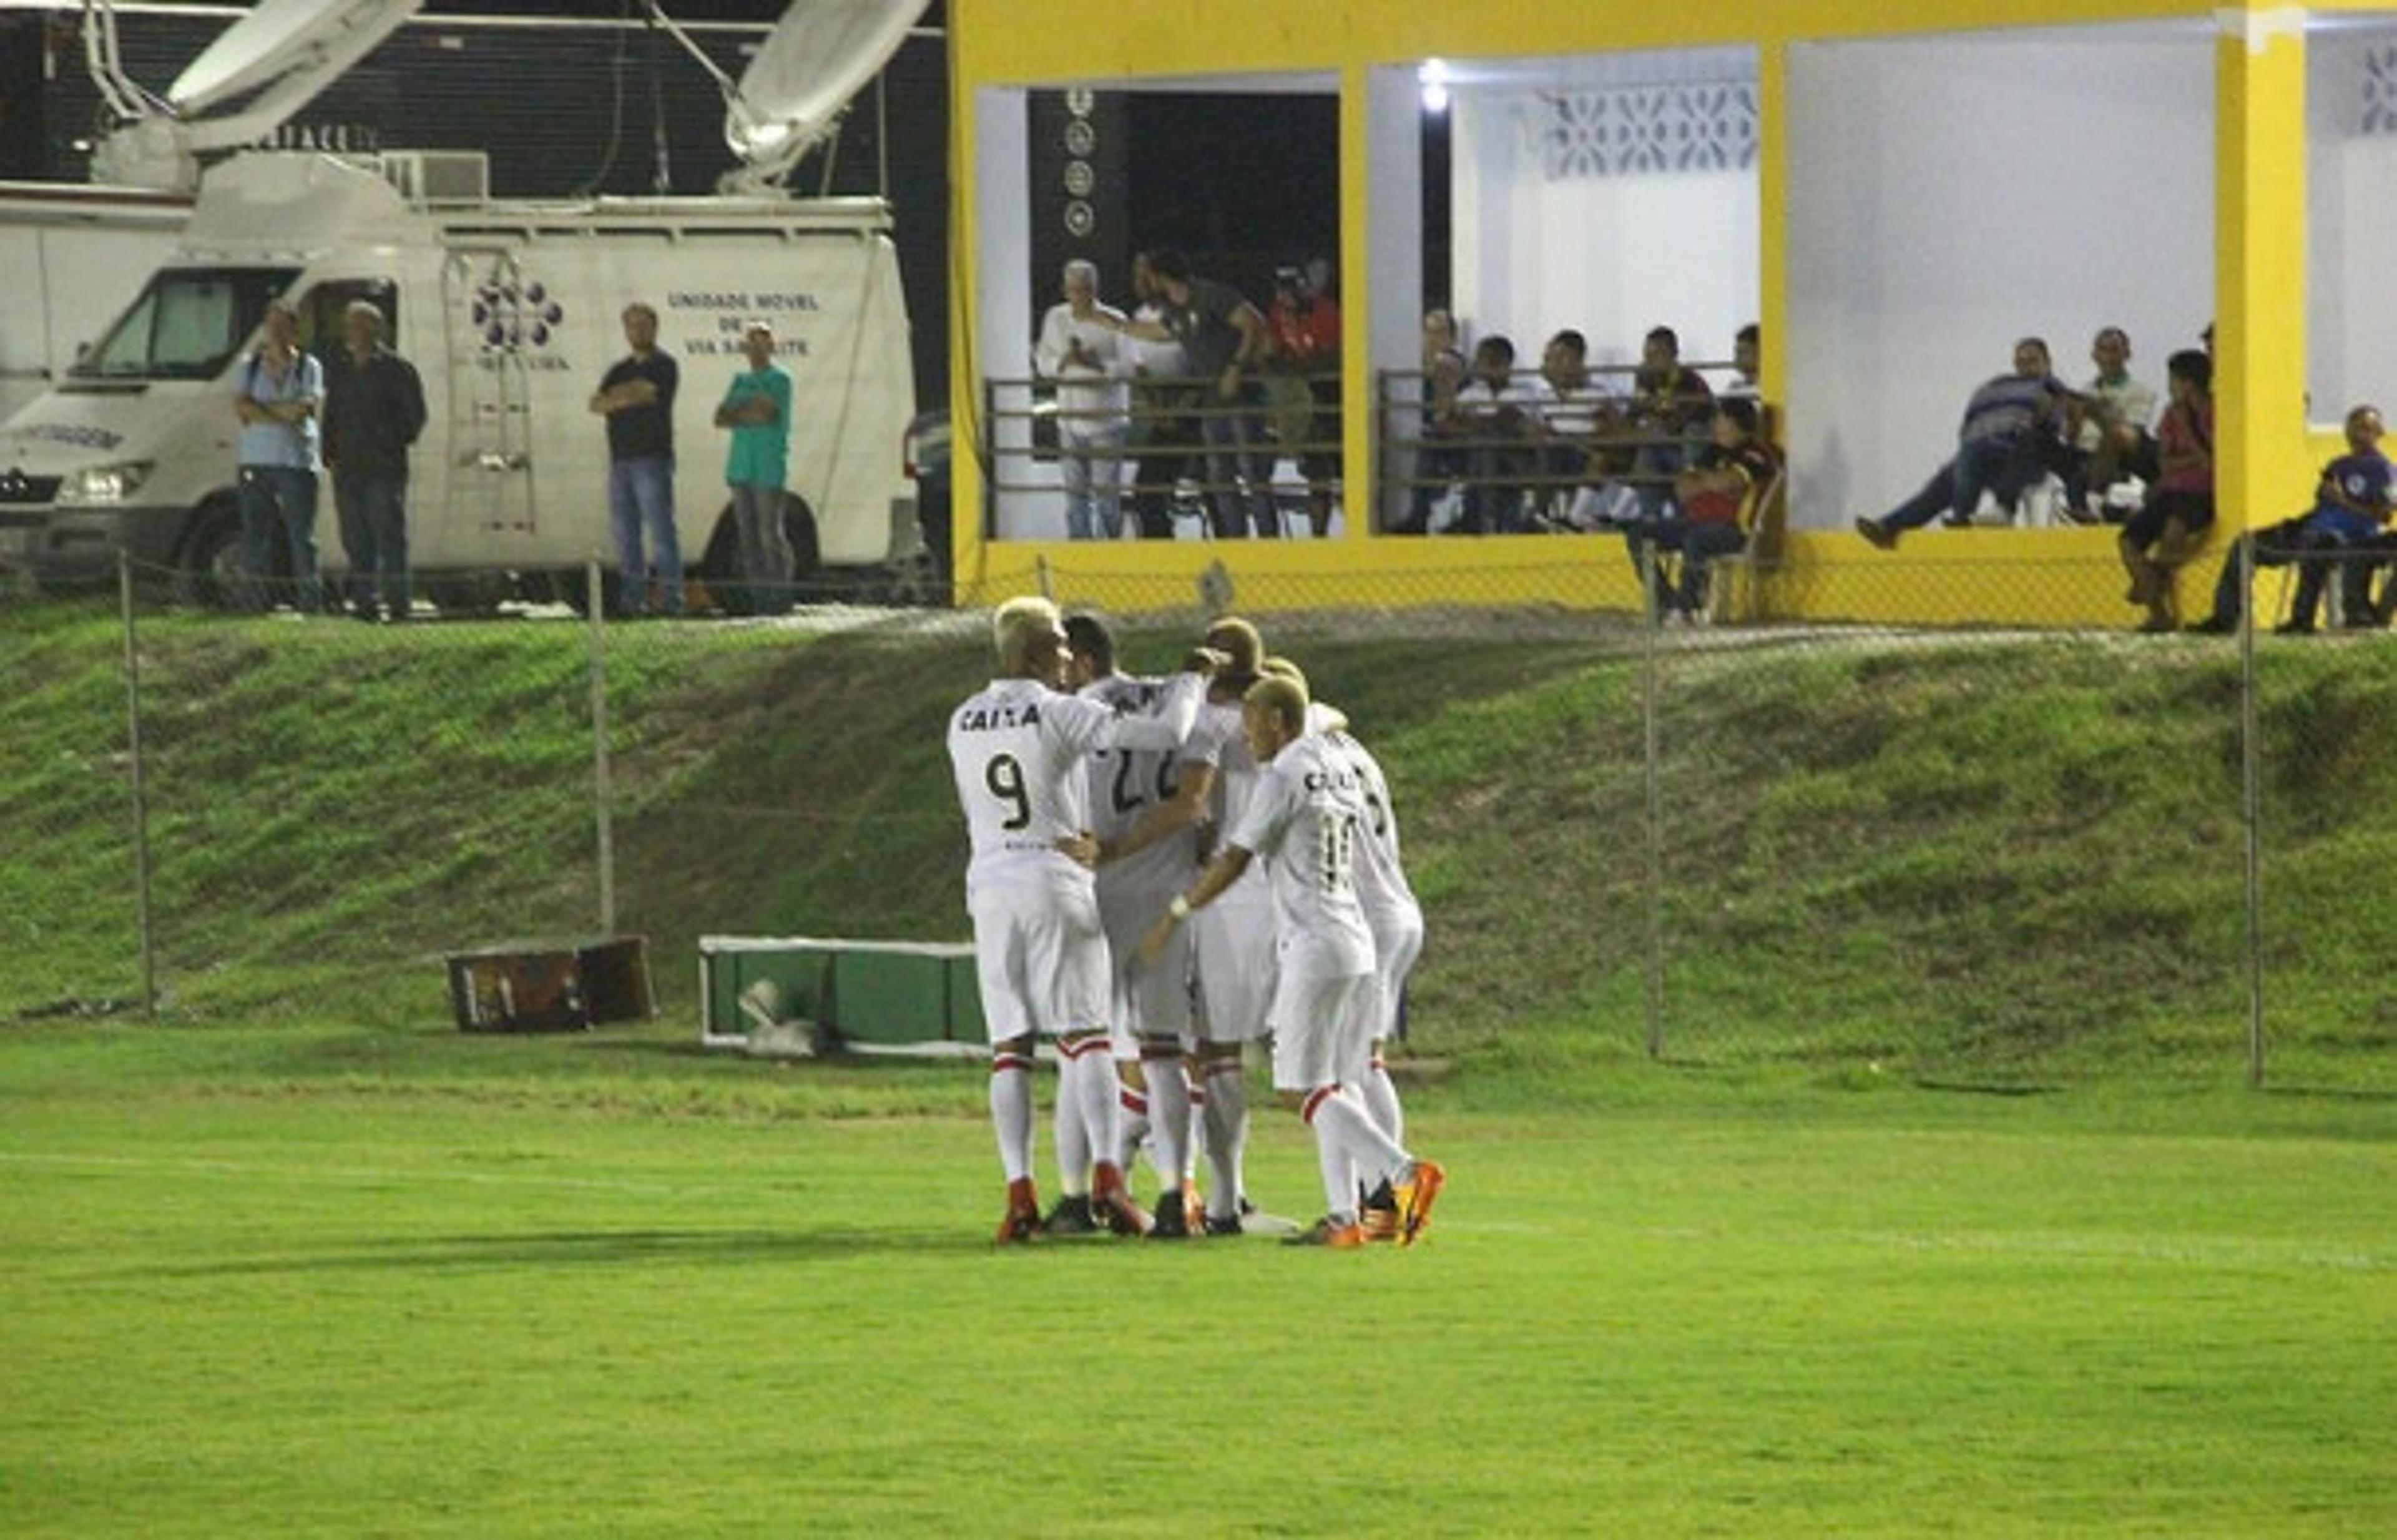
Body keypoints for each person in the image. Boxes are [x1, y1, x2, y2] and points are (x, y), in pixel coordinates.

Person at [946, 595, 1220, 1243]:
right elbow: (1162, 736)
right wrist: (1191, 679)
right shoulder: (1057, 710)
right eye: (1061, 648)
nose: (1069, 659)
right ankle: (1109, 1182)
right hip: (1053, 874)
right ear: (1039, 652)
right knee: (1086, 1037)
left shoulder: (962, 719)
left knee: (1009, 1047)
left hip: (989, 883)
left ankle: (1020, 1195)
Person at [1139, 674, 1446, 1249]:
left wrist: (1177, 911)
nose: (1247, 737)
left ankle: (1402, 1171)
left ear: (1279, 721)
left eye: (1252, 724)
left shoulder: (1282, 775)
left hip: (1316, 943)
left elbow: (1235, 859)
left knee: (1298, 1087)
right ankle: (1346, 1215)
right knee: (1336, 1080)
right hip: (1354, 938)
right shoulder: (1335, 762)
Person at [1258, 654, 1423, 1243]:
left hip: (1361, 915)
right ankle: (1356, 1209)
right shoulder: (1348, 749)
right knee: (1350, 1068)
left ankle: (1388, 1192)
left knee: (1341, 1073)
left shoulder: (1301, 762)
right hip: (1393, 908)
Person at [1066, 614, 1217, 1236]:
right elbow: (1194, 801)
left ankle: (1081, 1196)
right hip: (1168, 890)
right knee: (1164, 1049)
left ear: (1079, 661)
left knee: (1083, 1047)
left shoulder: (1075, 713)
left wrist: (1112, 845)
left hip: (1097, 890)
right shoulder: (1184, 699)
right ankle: (1176, 1193)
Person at [1855, 338, 2079, 550]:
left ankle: (1962, 517)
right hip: (1985, 454)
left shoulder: (2052, 389)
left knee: (1970, 455)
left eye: (2033, 361)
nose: (2025, 367)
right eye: (2020, 362)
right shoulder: (1998, 385)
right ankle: (1889, 528)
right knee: (1945, 481)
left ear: (2047, 362)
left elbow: (2051, 426)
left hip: (2023, 458)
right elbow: (1973, 421)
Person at [1114, 249, 1276, 538]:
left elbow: (1253, 323)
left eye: (1147, 274)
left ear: (1161, 276)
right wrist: (1110, 322)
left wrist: (1235, 369)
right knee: (1220, 479)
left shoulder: (1211, 295)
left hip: (1242, 397)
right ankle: (1236, 544)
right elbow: (1157, 333)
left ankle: (1268, 545)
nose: (1142, 280)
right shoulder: (1175, 308)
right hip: (1213, 402)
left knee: (1252, 475)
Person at [2192, 405, 2393, 634]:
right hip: (2310, 526)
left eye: (2366, 429)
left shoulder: (2382, 470)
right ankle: (2226, 618)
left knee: (2319, 544)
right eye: (2353, 427)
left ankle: (2301, 620)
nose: (2358, 434)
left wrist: (2343, 501)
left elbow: (2383, 516)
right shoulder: (2338, 465)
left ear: (2379, 433)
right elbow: (2322, 505)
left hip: (2348, 538)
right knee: (2245, 545)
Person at [319, 298, 425, 625]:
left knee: (389, 538)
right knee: (356, 541)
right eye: (352, 325)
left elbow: (415, 418)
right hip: (348, 469)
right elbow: (331, 415)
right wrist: (329, 451)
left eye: (364, 325)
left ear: (377, 329)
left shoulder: (397, 369)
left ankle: (397, 605)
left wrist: (388, 441)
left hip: (384, 469)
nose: (357, 332)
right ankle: (365, 604)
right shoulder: (340, 369)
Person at [1622, 399, 1777, 619]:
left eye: (1721, 420)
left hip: (1735, 529)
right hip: (1695, 521)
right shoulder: (1711, 451)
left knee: (1698, 540)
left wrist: (1706, 482)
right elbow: (1683, 487)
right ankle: (1666, 601)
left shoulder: (1757, 454)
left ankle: (1688, 606)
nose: (1716, 425)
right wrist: (1712, 482)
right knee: (1639, 534)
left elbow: (1729, 482)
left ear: (1738, 423)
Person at [588, 302, 682, 617]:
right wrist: (626, 395)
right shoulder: (619, 369)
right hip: (621, 461)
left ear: (655, 328)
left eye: (643, 325)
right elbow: (596, 404)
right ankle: (633, 600)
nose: (638, 331)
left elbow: (647, 393)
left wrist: (619, 398)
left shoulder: (664, 365)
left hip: (652, 458)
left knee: (661, 532)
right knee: (626, 535)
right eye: (632, 325)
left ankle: (671, 598)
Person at [232, 298, 325, 613]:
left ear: (294, 330)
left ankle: (309, 602)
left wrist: (262, 412)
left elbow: (304, 410)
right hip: (255, 461)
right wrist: (281, 414)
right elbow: (241, 408)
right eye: (272, 326)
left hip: (297, 462)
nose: (277, 332)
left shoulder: (309, 367)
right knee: (256, 535)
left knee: (302, 535)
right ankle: (256, 601)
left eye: (283, 326)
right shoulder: (250, 367)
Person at [2117, 350, 2214, 633]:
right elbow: (2165, 461)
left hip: (2200, 493)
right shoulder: (2170, 416)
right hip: (2172, 490)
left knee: (2173, 535)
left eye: (2173, 380)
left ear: (2188, 383)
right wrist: (2193, 459)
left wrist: (2189, 433)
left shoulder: (2214, 411)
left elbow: (2212, 460)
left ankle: (2152, 588)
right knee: (2129, 542)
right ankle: (2156, 602)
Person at [1034, 260, 1132, 542]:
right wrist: (1065, 361)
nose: (1079, 296)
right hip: (1070, 422)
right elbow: (1043, 363)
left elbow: (1128, 367)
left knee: (1106, 496)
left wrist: (1096, 366)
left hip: (1107, 423)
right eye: (1074, 290)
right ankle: (1079, 549)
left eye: (1084, 289)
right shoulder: (1055, 319)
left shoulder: (1114, 320)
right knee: (1074, 497)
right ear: (1066, 290)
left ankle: (1110, 549)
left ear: (1094, 289)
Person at [712, 320, 794, 614]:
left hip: (768, 468)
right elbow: (720, 418)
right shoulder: (739, 380)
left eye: (764, 342)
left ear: (772, 346)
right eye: (752, 342)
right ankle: (760, 601)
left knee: (770, 535)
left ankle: (780, 598)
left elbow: (767, 413)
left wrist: (740, 412)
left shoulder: (781, 379)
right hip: (740, 469)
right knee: (747, 539)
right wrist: (746, 410)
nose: (757, 348)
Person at [1121, 251, 1200, 540]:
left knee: (1216, 486)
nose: (1141, 282)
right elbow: (1141, 368)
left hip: (1197, 411)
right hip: (1165, 414)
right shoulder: (1139, 319)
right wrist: (1159, 411)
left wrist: (1181, 407)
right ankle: (1161, 549)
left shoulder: (1187, 313)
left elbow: (1201, 364)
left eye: (1146, 275)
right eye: (1136, 276)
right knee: (1147, 490)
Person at [1262, 262, 1342, 536]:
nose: (1286, 297)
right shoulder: (1278, 313)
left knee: (1344, 473)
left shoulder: (1326, 312)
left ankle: (1357, 533)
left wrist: (1293, 365)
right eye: (1281, 292)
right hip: (1304, 402)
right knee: (1316, 474)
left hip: (1335, 400)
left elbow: (1328, 359)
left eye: (1292, 290)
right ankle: (1318, 536)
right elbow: (1273, 354)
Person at [1451, 335, 1549, 535]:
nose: (1485, 366)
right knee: (1486, 446)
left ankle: (1480, 519)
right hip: (1479, 460)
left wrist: (1479, 422)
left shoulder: (1525, 392)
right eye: (1482, 360)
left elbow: (1521, 423)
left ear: (1507, 364)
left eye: (1492, 361)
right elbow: (1449, 422)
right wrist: (1489, 423)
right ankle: (1488, 520)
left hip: (1516, 458)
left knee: (1492, 442)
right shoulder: (1471, 393)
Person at [1530, 328, 1625, 530]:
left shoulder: (1598, 395)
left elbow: (1613, 432)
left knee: (1596, 457)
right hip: (1550, 453)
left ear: (1579, 360)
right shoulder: (1543, 396)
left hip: (1582, 454)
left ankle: (1572, 516)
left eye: (1560, 358)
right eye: (1550, 359)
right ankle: (1539, 514)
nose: (1552, 365)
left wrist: (1573, 440)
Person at [1623, 325, 1715, 523]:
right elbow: (1630, 418)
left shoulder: (1690, 380)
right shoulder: (1645, 379)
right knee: (1648, 449)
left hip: (1693, 454)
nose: (1651, 361)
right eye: (1648, 356)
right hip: (1664, 450)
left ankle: (1693, 508)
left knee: (1683, 434)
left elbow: (1690, 421)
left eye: (1658, 355)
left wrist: (1655, 416)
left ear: (1674, 354)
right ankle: (1650, 517)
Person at [2068, 326, 2160, 522]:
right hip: (2082, 452)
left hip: (2121, 456)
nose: (2109, 357)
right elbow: (2072, 436)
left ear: (2127, 354)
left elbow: (2131, 433)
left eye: (2114, 350)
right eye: (2103, 350)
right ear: (2094, 355)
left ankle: (2094, 501)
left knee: (2114, 436)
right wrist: (2073, 419)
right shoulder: (2085, 391)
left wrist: (2099, 415)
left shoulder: (2141, 392)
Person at [1393, 308, 1471, 534]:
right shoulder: (1413, 362)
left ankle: (1422, 518)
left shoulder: (1451, 363)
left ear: (1453, 337)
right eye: (1428, 332)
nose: (1433, 338)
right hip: (1430, 432)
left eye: (1440, 332)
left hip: (1458, 432)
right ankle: (1418, 518)